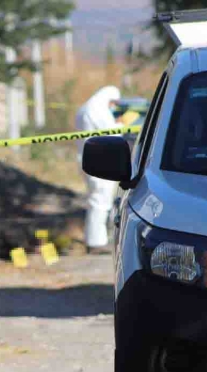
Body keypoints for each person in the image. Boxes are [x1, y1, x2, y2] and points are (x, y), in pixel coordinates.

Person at [75, 86, 122, 254]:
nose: (114, 107)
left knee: (97, 200)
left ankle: (95, 239)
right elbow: (114, 133)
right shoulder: (98, 109)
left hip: (87, 159)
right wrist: (123, 124)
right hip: (98, 162)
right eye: (113, 104)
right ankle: (96, 243)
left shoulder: (85, 108)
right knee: (100, 202)